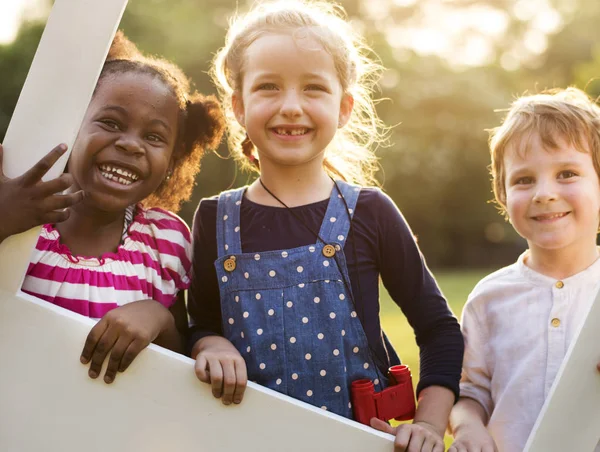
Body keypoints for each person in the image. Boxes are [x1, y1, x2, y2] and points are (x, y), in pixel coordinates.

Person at [187, 2, 463, 450]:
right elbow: (199, 325)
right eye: (268, 87)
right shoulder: (214, 218)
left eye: (314, 88)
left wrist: (429, 425)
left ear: (344, 107)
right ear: (239, 106)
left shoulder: (370, 212)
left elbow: (438, 329)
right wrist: (209, 344)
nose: (291, 107)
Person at [0, 31, 225, 385]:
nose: (130, 145)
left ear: (172, 160)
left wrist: (158, 318)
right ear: (72, 127)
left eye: (153, 137)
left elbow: (176, 365)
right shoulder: (17, 207)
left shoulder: (165, 241)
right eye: (111, 123)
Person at [449, 87, 600, 452]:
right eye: (524, 179)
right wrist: (468, 428)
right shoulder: (489, 298)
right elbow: (468, 394)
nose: (544, 193)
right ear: (502, 195)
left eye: (566, 173)